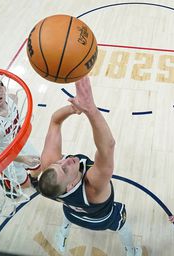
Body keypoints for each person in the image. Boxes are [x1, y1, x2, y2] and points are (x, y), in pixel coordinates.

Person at [37, 76, 142, 256]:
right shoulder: (93, 186)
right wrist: (90, 110)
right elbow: (107, 147)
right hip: (102, 219)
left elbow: (55, 120)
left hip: (71, 212)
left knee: (68, 214)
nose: (65, 160)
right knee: (123, 226)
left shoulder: (51, 176)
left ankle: (62, 232)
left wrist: (74, 108)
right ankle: (131, 250)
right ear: (70, 185)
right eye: (64, 168)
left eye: (59, 162)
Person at [0, 77, 40, 199]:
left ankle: (33, 179)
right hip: (5, 156)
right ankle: (6, 182)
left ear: (4, 88)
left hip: (19, 142)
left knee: (38, 167)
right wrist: (21, 159)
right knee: (25, 185)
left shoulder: (12, 99)